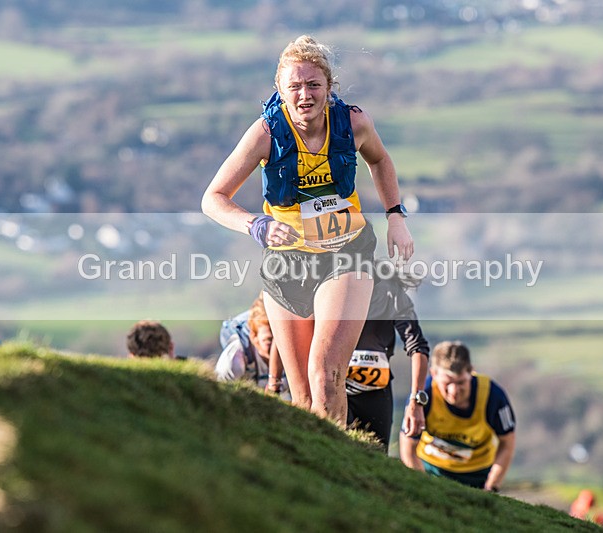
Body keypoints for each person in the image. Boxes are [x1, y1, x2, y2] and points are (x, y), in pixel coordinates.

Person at [201, 35, 414, 426]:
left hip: (346, 253)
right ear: (279, 91)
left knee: (326, 373)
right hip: (287, 265)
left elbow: (381, 161)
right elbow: (213, 198)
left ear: (329, 88)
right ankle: (318, 473)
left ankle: (342, 476)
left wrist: (395, 216)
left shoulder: (353, 122)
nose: (304, 95)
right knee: (301, 398)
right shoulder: (265, 133)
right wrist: (257, 225)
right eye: (294, 86)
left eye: (313, 85)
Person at [399, 341, 516, 492]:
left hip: (477, 475)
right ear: (433, 374)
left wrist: (492, 486)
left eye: (461, 382)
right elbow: (407, 444)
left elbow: (507, 443)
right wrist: (421, 483)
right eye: (447, 383)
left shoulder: (493, 396)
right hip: (431, 469)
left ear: (471, 372)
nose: (453, 391)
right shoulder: (423, 395)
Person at [346, 261, 429, 451]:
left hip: (375, 392)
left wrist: (416, 402)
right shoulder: (331, 282)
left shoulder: (390, 290)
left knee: (375, 455)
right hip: (339, 388)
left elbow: (417, 347)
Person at [216, 292, 286, 395]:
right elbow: (219, 394)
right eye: (269, 340)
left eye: (282, 341)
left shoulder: (294, 349)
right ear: (254, 337)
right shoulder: (234, 361)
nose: (276, 348)